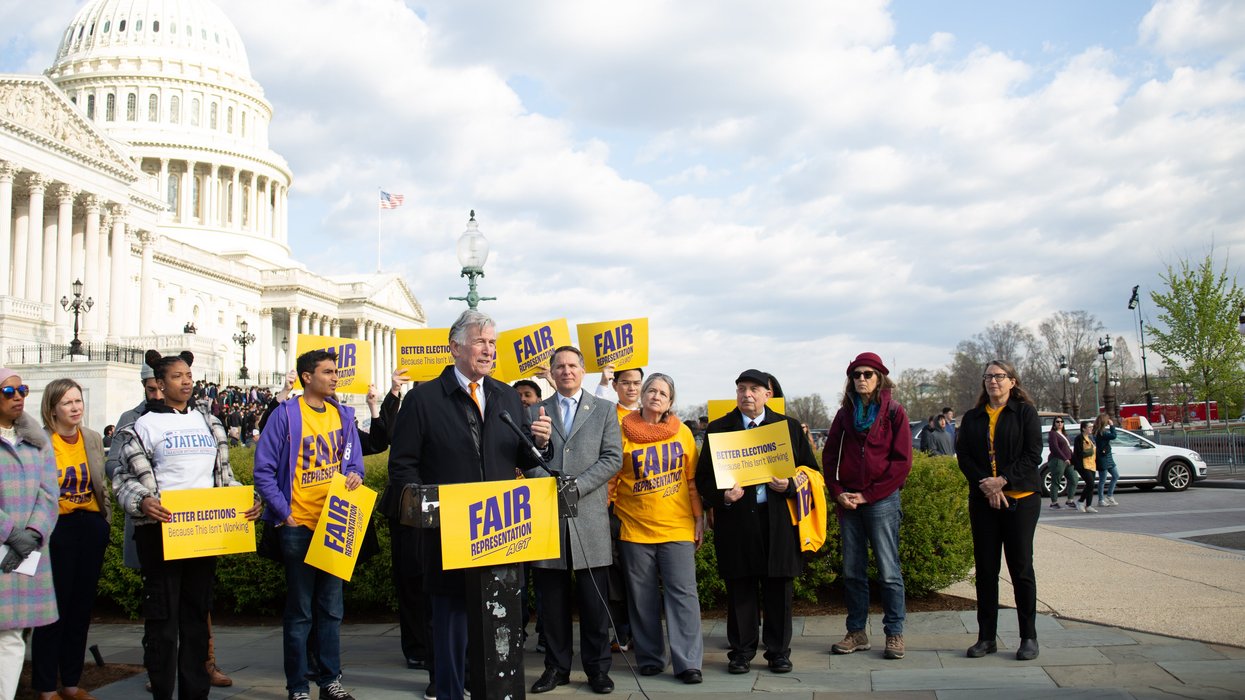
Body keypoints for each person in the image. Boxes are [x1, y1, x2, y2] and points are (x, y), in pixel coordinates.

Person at [386, 310, 552, 700]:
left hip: (500, 532)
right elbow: (402, 467)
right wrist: (427, 506)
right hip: (449, 536)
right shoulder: (423, 399)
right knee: (450, 627)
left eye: (492, 342)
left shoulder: (506, 394)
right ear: (455, 346)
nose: (489, 349)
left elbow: (525, 456)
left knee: (497, 629)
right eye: (480, 341)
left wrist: (542, 443)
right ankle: (447, 690)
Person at [112, 350, 262, 700]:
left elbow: (224, 477)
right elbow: (121, 478)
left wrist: (246, 501)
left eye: (188, 374)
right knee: (163, 622)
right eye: (178, 376)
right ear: (159, 385)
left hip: (203, 533)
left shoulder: (208, 423)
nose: (186, 380)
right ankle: (162, 690)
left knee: (197, 621)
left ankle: (195, 692)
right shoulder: (140, 427)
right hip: (160, 532)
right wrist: (142, 500)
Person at [253, 349, 366, 700]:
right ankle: (298, 686)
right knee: (300, 613)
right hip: (298, 526)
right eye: (327, 372)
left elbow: (356, 466)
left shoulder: (343, 415)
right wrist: (283, 511)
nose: (335, 377)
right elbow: (263, 470)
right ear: (306, 377)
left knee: (331, 610)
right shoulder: (286, 416)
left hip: (334, 523)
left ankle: (330, 680)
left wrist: (354, 477)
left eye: (336, 372)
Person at [696, 369, 816, 674]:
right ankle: (741, 651)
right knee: (740, 588)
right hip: (737, 521)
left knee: (779, 588)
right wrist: (723, 496)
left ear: (768, 393)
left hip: (778, 519)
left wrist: (788, 486)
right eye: (741, 389)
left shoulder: (787, 428)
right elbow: (703, 478)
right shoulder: (720, 429)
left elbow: (811, 472)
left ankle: (778, 652)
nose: (746, 394)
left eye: (753, 389)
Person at [526, 347, 623, 695]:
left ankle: (598, 670)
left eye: (572, 366)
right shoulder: (535, 411)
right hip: (549, 516)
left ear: (582, 371)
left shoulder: (604, 410)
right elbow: (527, 457)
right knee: (551, 603)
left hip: (589, 516)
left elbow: (613, 458)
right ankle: (556, 669)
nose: (566, 371)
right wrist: (550, 481)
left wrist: (577, 486)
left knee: (595, 602)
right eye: (559, 367)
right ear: (551, 373)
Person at [612, 373, 704, 684]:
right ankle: (650, 658)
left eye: (662, 392)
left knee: (683, 595)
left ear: (670, 401)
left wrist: (698, 518)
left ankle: (688, 662)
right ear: (642, 394)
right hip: (634, 527)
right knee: (641, 597)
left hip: (676, 527)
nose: (655, 395)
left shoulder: (683, 434)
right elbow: (611, 480)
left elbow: (692, 482)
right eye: (651, 389)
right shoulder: (620, 431)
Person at [822, 352, 912, 661]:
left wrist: (870, 495)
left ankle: (894, 633)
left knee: (888, 571)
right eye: (856, 374)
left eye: (867, 374)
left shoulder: (894, 413)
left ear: (880, 378)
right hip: (849, 501)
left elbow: (901, 464)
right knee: (852, 572)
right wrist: (837, 492)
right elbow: (830, 456)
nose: (861, 379)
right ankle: (856, 632)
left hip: (881, 501)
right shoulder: (844, 414)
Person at [31, 379, 112, 700]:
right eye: (67, 403)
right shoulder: (40, 442)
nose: (76, 407)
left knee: (80, 608)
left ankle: (72, 684)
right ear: (52, 409)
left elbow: (100, 483)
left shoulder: (91, 438)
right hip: (56, 530)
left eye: (78, 400)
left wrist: (102, 521)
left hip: (90, 526)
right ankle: (46, 687)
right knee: (53, 610)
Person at [956, 359, 1042, 661]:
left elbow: (1033, 454)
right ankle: (986, 637)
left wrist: (1002, 482)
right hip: (983, 501)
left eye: (999, 376)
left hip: (1021, 499)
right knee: (987, 570)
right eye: (988, 377)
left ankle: (1028, 636)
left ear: (1012, 382)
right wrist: (987, 485)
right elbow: (963, 455)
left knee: (1021, 569)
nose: (993, 381)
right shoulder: (974, 417)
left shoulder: (1025, 413)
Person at [0, 369, 58, 700]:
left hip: (24, 554)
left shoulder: (37, 441)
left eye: (22, 389)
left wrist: (33, 534)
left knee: (12, 635)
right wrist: (10, 532)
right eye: (9, 391)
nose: (18, 396)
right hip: (8, 547)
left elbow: (49, 493)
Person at [1047, 418, 1079, 510]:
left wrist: (1073, 458)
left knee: (1074, 478)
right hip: (1058, 460)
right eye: (1057, 422)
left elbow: (1068, 448)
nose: (1060, 423)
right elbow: (1055, 448)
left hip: (1068, 460)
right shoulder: (1053, 434)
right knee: (1056, 480)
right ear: (1054, 424)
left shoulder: (1064, 434)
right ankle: (1054, 503)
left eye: (1061, 422)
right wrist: (1064, 458)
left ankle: (1070, 501)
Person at [1070, 420, 1098, 514]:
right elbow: (1078, 453)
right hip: (1083, 465)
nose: (1091, 429)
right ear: (1083, 428)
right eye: (1089, 427)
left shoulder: (1090, 438)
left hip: (1092, 464)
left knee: (1091, 485)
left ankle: (1088, 505)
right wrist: (1089, 452)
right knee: (1090, 483)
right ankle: (1080, 501)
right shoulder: (1079, 438)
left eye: (1091, 427)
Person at [1093, 414, 1119, 507]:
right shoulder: (1100, 432)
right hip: (1102, 457)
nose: (1109, 421)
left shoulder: (1100, 431)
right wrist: (1112, 425)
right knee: (1102, 480)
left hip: (1108, 456)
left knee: (1115, 475)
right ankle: (1101, 500)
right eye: (1107, 420)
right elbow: (1114, 436)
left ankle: (1109, 495)